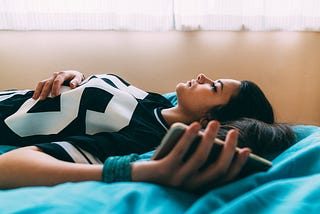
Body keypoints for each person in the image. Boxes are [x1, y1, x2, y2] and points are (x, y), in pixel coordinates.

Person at [0, 70, 280, 190]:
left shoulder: (141, 137)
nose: (202, 77)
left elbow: (9, 166)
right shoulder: (157, 101)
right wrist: (75, 76)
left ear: (209, 121)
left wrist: (133, 172)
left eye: (214, 86)